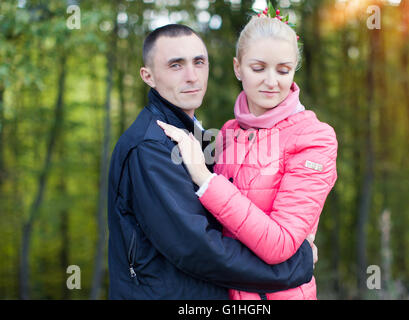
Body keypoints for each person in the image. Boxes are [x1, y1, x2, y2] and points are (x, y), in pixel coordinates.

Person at [107, 23, 317, 300]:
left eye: (199, 62)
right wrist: (295, 265)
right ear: (148, 76)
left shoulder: (200, 136)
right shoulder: (151, 146)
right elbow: (196, 247)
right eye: (176, 65)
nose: (192, 76)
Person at [158, 11, 338, 300]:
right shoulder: (228, 132)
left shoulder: (315, 137)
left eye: (283, 70)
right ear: (238, 68)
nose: (271, 81)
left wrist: (205, 178)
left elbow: (279, 244)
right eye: (258, 68)